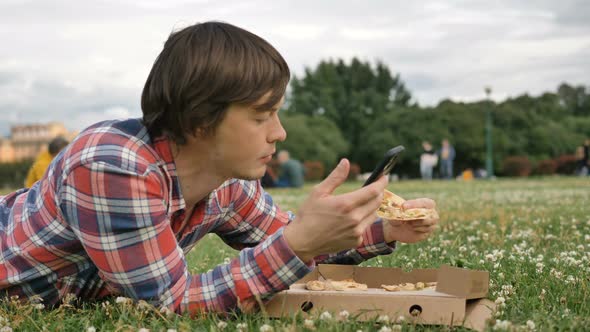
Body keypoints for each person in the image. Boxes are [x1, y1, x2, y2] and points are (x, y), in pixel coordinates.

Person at [0, 22, 438, 315]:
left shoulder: (226, 184)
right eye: (261, 115)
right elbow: (169, 303)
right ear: (199, 119)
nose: (280, 133)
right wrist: (297, 243)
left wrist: (382, 231)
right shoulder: (112, 167)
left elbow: (297, 243)